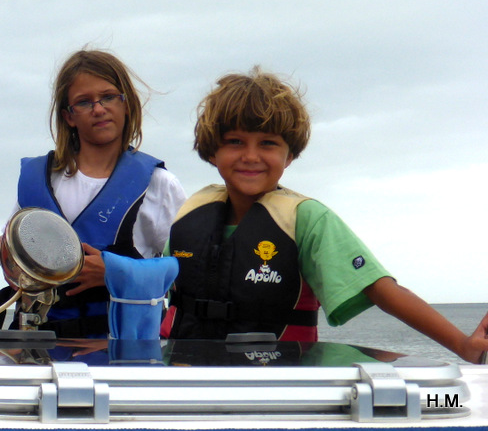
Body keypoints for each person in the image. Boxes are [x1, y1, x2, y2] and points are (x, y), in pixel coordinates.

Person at [163, 66, 488, 364]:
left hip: (277, 382)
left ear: (290, 155)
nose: (251, 156)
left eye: (267, 143)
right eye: (235, 142)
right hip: (189, 379)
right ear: (212, 150)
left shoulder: (307, 220)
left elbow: (384, 292)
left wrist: (463, 345)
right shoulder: (191, 215)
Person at [0, 49, 186, 338]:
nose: (98, 109)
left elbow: (183, 271)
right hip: (41, 343)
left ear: (126, 104)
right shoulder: (38, 180)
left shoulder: (159, 184)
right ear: (68, 116)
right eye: (84, 102)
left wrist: (114, 273)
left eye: (108, 97)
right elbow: (6, 250)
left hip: (121, 346)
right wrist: (9, 254)